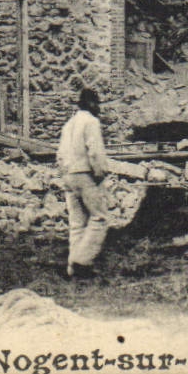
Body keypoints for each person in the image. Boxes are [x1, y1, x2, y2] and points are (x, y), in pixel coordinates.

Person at [57, 88, 110, 280]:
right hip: (85, 174)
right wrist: (100, 173)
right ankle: (82, 260)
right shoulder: (91, 122)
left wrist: (65, 173)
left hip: (69, 175)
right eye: (98, 104)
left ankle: (72, 267)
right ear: (92, 104)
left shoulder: (68, 124)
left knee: (77, 223)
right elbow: (95, 151)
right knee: (100, 218)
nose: (100, 109)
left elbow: (60, 155)